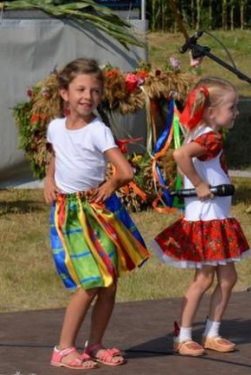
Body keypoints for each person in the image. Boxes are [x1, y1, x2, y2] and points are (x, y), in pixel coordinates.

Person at [45, 58, 149, 369]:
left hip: (97, 211)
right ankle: (63, 349)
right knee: (91, 281)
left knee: (108, 282)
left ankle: (95, 344)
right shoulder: (55, 127)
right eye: (80, 89)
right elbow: (55, 155)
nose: (87, 96)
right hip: (70, 213)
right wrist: (49, 180)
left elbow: (126, 170)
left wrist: (112, 182)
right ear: (65, 93)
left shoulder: (98, 131)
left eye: (95, 91)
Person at [152, 77, 251, 357]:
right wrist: (198, 184)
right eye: (232, 107)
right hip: (207, 219)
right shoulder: (210, 137)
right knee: (204, 279)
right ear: (211, 111)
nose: (236, 112)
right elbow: (180, 154)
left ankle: (212, 331)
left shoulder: (203, 133)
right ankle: (183, 335)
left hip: (217, 218)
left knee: (228, 278)